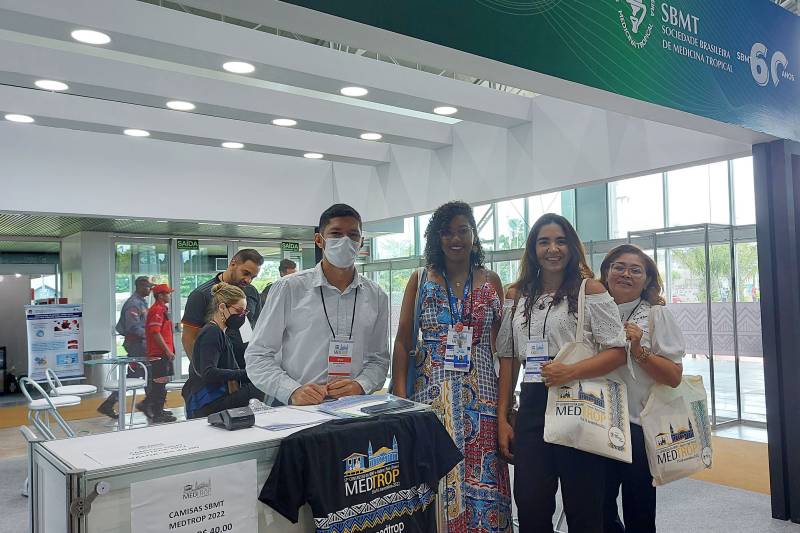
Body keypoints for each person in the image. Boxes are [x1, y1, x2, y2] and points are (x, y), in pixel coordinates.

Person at [496, 213, 626, 532]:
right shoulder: (516, 295)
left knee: (583, 505)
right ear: (533, 249)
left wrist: (570, 371)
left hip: (577, 399)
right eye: (544, 242)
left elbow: (618, 351)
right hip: (531, 402)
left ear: (571, 247)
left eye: (560, 241)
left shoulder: (590, 290)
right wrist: (502, 417)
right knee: (530, 501)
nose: (553, 249)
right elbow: (509, 356)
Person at [391, 201, 511, 533]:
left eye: (463, 230)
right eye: (447, 232)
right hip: (431, 403)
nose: (455, 239)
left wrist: (505, 407)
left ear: (474, 235)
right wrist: (401, 402)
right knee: (436, 487)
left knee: (485, 489)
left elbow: (503, 350)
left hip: (483, 404)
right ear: (435, 238)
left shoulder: (491, 282)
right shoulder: (420, 280)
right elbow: (403, 341)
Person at [246, 204, 389, 406]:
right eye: (336, 234)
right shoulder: (289, 289)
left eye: (353, 235)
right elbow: (257, 356)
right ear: (319, 240)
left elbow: (379, 360)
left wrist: (361, 384)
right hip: (297, 408)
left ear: (361, 242)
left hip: (352, 407)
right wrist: (292, 390)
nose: (345, 241)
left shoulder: (376, 295)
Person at [600, 244, 685, 533]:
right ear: (606, 272)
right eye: (618, 267)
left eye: (636, 270)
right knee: (599, 510)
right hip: (595, 422)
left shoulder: (655, 316)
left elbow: (674, 376)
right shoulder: (590, 311)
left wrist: (638, 349)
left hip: (638, 425)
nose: (626, 274)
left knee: (639, 511)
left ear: (647, 280)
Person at [183, 282, 265, 418]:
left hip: (215, 399)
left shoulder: (219, 332)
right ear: (222, 307)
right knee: (262, 385)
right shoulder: (212, 332)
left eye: (245, 312)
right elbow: (208, 372)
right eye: (239, 311)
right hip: (209, 404)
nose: (242, 316)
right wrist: (244, 374)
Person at [181, 249, 264, 369]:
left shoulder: (252, 292)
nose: (248, 280)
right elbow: (189, 339)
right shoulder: (201, 295)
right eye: (245, 273)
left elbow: (256, 327)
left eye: (253, 277)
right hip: (216, 371)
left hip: (247, 369)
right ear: (233, 263)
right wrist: (201, 371)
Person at [97, 276, 152, 419]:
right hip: (136, 345)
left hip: (141, 345)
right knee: (146, 373)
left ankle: (109, 404)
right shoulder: (134, 304)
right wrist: (150, 336)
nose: (150, 289)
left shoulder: (141, 302)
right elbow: (133, 326)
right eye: (147, 287)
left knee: (140, 374)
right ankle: (148, 404)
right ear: (140, 286)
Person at [143, 283, 177, 423]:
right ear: (161, 296)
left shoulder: (162, 309)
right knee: (159, 384)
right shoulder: (157, 310)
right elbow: (155, 333)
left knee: (161, 384)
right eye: (167, 293)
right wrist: (167, 351)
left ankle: (158, 410)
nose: (169, 296)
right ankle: (154, 412)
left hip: (162, 353)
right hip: (159, 353)